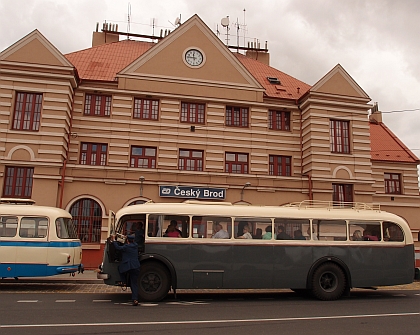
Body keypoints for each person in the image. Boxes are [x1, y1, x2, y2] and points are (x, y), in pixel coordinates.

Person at [110, 234, 141, 306]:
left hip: (127, 265)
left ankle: (123, 282)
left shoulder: (127, 246)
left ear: (127, 241)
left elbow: (118, 248)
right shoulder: (135, 245)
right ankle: (135, 299)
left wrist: (114, 240)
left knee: (120, 269)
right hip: (135, 266)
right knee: (134, 283)